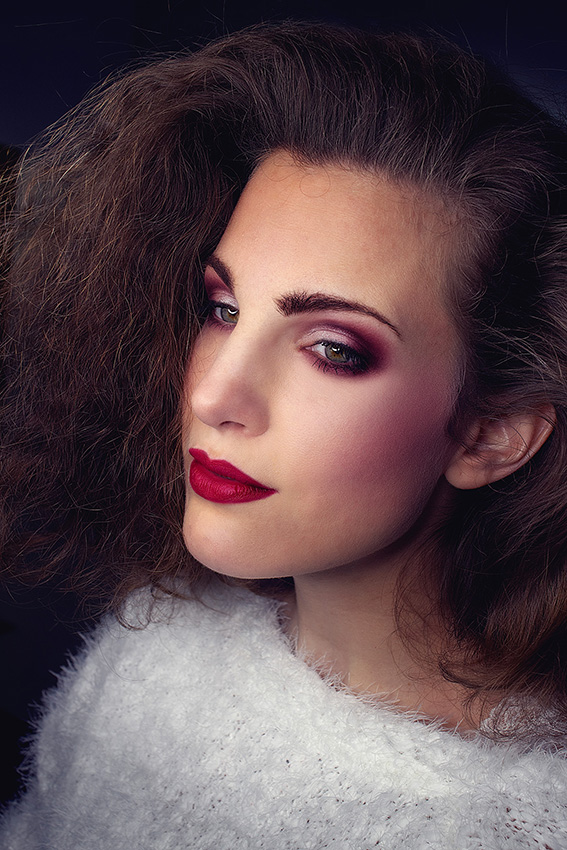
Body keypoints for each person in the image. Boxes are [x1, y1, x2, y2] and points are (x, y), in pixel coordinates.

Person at [1, 21, 567, 848]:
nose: (214, 394)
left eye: (333, 349)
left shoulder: (507, 826)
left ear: (491, 434)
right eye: (221, 309)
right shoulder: (163, 634)